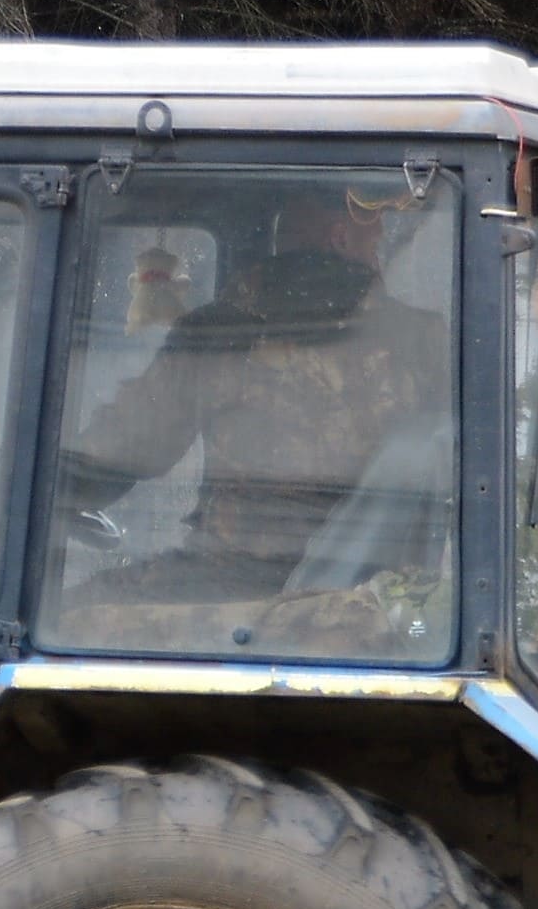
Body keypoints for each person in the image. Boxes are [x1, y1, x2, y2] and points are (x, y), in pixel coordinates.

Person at [66, 184, 450, 604]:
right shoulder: (425, 343)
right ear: (341, 237)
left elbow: (117, 454)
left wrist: (46, 488)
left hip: (221, 594)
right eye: (375, 240)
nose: (380, 254)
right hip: (375, 604)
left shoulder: (215, 335)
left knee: (62, 616)